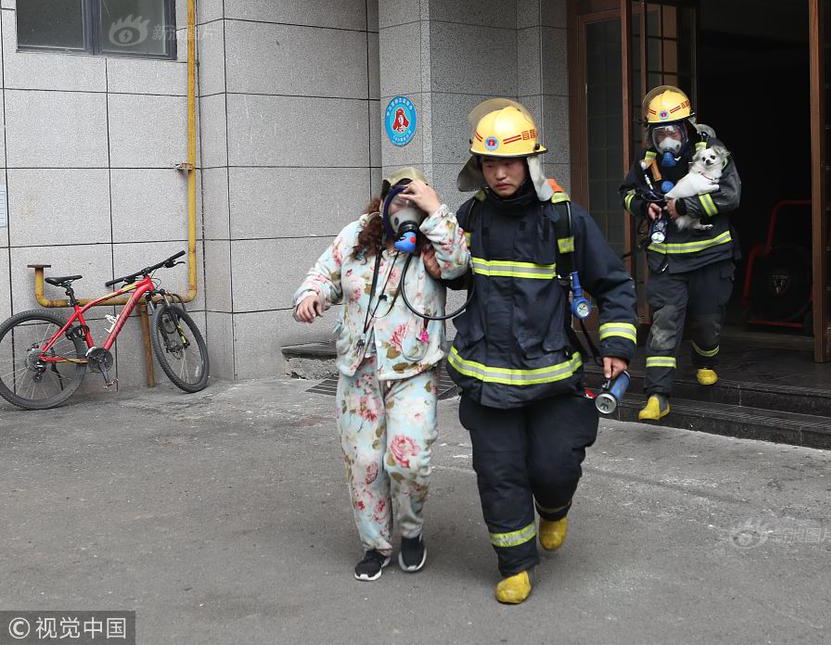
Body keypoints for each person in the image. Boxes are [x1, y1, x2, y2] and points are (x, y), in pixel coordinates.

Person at [448, 99, 638, 604]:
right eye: (490, 163)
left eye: (509, 162)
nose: (500, 173)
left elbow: (614, 285)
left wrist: (616, 343)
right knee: (498, 471)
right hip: (487, 377)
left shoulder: (565, 220)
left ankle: (554, 509)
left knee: (555, 466)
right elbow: (455, 276)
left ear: (530, 162)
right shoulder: (470, 217)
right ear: (478, 167)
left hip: (553, 377)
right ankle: (514, 563)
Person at [292, 168, 470, 581]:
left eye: (414, 200)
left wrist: (434, 211)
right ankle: (376, 545)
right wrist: (311, 297)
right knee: (365, 463)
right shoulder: (356, 235)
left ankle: (411, 534)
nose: (404, 209)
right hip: (358, 372)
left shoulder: (433, 239)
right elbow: (321, 277)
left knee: (409, 460)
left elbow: (459, 263)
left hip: (413, 370)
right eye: (399, 201)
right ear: (384, 201)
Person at [620, 85, 742, 421]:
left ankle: (705, 360)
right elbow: (627, 193)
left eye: (672, 131)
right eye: (659, 134)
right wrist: (645, 207)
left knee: (707, 322)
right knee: (664, 324)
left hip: (711, 257)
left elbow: (731, 197)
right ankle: (658, 395)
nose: (667, 140)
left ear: (687, 127)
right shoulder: (647, 161)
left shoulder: (713, 151)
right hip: (667, 261)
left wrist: (685, 205)